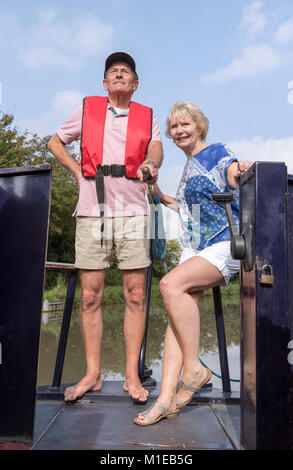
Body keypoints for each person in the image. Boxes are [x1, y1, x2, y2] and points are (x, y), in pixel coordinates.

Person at [48, 52, 163, 404]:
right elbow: (54, 142)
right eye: (112, 71)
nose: (118, 75)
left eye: (125, 71)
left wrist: (150, 164)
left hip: (133, 211)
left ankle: (131, 375)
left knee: (136, 295)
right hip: (92, 210)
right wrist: (76, 172)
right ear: (103, 83)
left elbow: (156, 150)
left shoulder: (147, 115)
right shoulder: (87, 110)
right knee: (90, 295)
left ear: (135, 83)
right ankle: (93, 374)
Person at [134, 101, 252, 425]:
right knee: (175, 319)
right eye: (173, 128)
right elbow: (179, 203)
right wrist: (154, 189)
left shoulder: (215, 151)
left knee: (169, 284)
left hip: (223, 242)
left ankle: (196, 370)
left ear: (198, 126)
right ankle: (166, 400)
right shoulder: (186, 168)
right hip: (194, 248)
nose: (179, 131)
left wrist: (241, 170)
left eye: (184, 125)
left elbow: (232, 172)